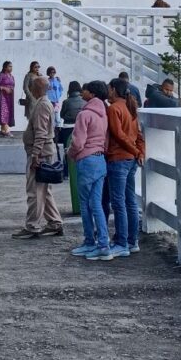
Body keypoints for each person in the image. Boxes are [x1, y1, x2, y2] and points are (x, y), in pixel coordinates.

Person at [12, 76, 64, 239]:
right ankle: (55, 223)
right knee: (44, 191)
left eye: (32, 86)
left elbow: (40, 132)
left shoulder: (41, 105)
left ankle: (33, 225)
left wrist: (35, 155)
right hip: (44, 151)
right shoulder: (44, 103)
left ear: (36, 88)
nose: (30, 89)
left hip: (40, 154)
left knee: (35, 191)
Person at [67, 81, 110, 257]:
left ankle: (89, 241)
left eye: (85, 90)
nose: (82, 92)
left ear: (91, 94)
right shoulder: (104, 113)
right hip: (100, 159)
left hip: (86, 159)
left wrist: (70, 153)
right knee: (97, 204)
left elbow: (78, 142)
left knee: (85, 204)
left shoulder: (84, 114)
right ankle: (104, 244)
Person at [105, 78, 144, 258]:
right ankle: (132, 240)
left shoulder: (113, 109)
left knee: (118, 202)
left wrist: (135, 150)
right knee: (130, 201)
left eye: (109, 88)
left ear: (114, 90)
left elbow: (119, 135)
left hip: (119, 157)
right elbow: (139, 135)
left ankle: (121, 243)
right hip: (130, 160)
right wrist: (139, 152)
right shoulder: (130, 107)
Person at [59, 80, 85, 176]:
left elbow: (62, 114)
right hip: (80, 127)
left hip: (67, 128)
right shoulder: (84, 102)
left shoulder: (66, 102)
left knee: (67, 150)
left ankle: (66, 172)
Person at [0, 61, 15, 137]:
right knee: (3, 112)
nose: (11, 68)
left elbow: (13, 85)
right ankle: (7, 130)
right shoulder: (1, 75)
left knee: (8, 112)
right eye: (9, 66)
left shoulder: (11, 76)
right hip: (2, 96)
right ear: (5, 67)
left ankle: (2, 130)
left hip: (10, 97)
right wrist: (4, 88)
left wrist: (11, 90)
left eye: (11, 66)